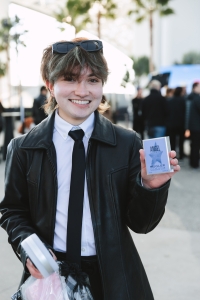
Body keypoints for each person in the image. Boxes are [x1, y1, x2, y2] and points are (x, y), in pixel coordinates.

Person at [0, 38, 180, 300]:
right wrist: (29, 249)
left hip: (114, 277)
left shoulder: (127, 143)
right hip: (50, 277)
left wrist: (151, 188)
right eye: (70, 79)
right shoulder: (23, 148)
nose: (82, 91)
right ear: (50, 85)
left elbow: (142, 224)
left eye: (93, 80)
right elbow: (12, 211)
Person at [166, 87, 186, 160]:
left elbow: (167, 112)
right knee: (181, 140)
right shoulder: (183, 100)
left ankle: (173, 155)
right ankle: (181, 155)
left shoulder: (170, 100)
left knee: (172, 141)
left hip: (171, 124)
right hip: (181, 124)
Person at [186, 81, 200, 168]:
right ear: (195, 88)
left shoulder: (189, 97)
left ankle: (193, 162)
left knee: (194, 144)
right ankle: (194, 163)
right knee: (195, 145)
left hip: (192, 126)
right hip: (197, 126)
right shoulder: (197, 98)